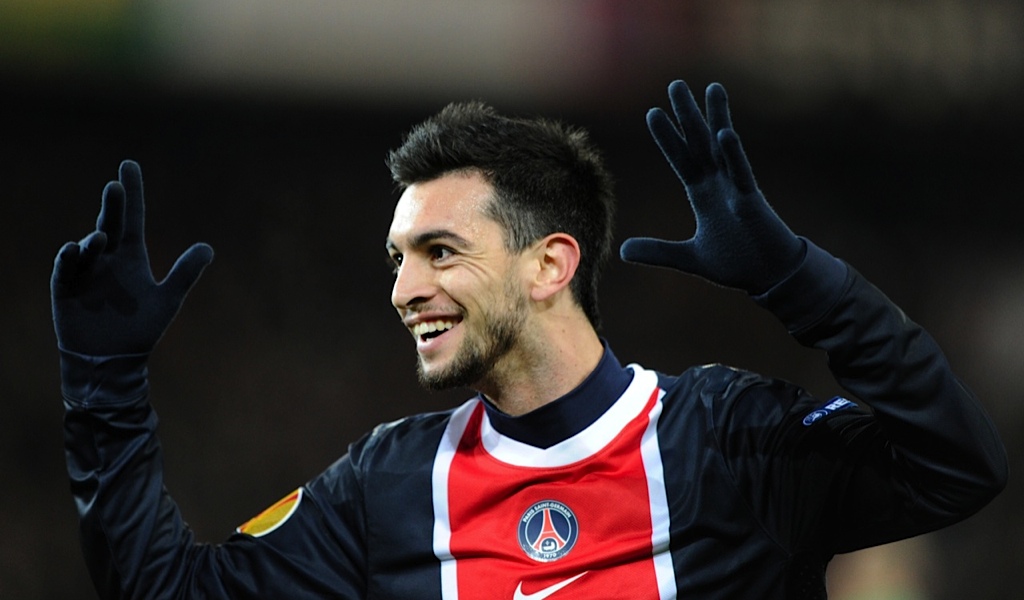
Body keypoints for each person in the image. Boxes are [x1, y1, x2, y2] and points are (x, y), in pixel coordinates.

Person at [51, 80, 1007, 599]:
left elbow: (958, 466)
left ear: (550, 264)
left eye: (439, 252)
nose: (404, 290)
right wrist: (104, 381)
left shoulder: (725, 441)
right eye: (397, 259)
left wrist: (803, 281)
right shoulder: (391, 487)